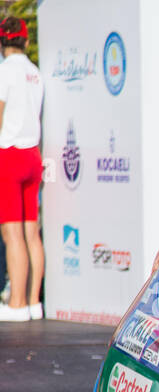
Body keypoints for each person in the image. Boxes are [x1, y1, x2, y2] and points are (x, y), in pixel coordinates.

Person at [0, 16, 42, 322]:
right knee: (31, 233)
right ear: (25, 41)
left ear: (3, 43)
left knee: (11, 234)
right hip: (32, 156)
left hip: (10, 155)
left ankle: (15, 305)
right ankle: (33, 302)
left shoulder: (4, 72)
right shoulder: (35, 73)